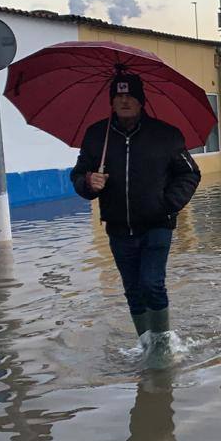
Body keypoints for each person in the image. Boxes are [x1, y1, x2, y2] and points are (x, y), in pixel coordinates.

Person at [71, 74, 201, 337]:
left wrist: (168, 203)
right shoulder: (98, 136)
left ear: (141, 101)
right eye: (118, 96)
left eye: (130, 96)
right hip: (118, 228)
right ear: (111, 101)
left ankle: (162, 344)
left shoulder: (166, 135)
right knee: (133, 289)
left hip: (157, 224)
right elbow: (78, 173)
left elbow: (189, 174)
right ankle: (146, 345)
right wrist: (88, 182)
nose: (124, 101)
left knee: (152, 284)